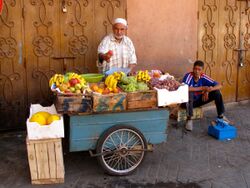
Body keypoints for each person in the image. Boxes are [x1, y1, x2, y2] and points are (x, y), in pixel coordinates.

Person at [182, 60, 228, 131]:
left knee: (217, 92)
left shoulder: (204, 77)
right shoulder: (188, 76)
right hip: (186, 102)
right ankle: (189, 119)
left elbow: (219, 85)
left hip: (198, 101)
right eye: (195, 69)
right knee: (190, 93)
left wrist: (208, 90)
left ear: (202, 71)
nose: (197, 71)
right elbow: (185, 88)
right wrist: (203, 88)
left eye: (199, 69)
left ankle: (220, 116)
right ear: (193, 69)